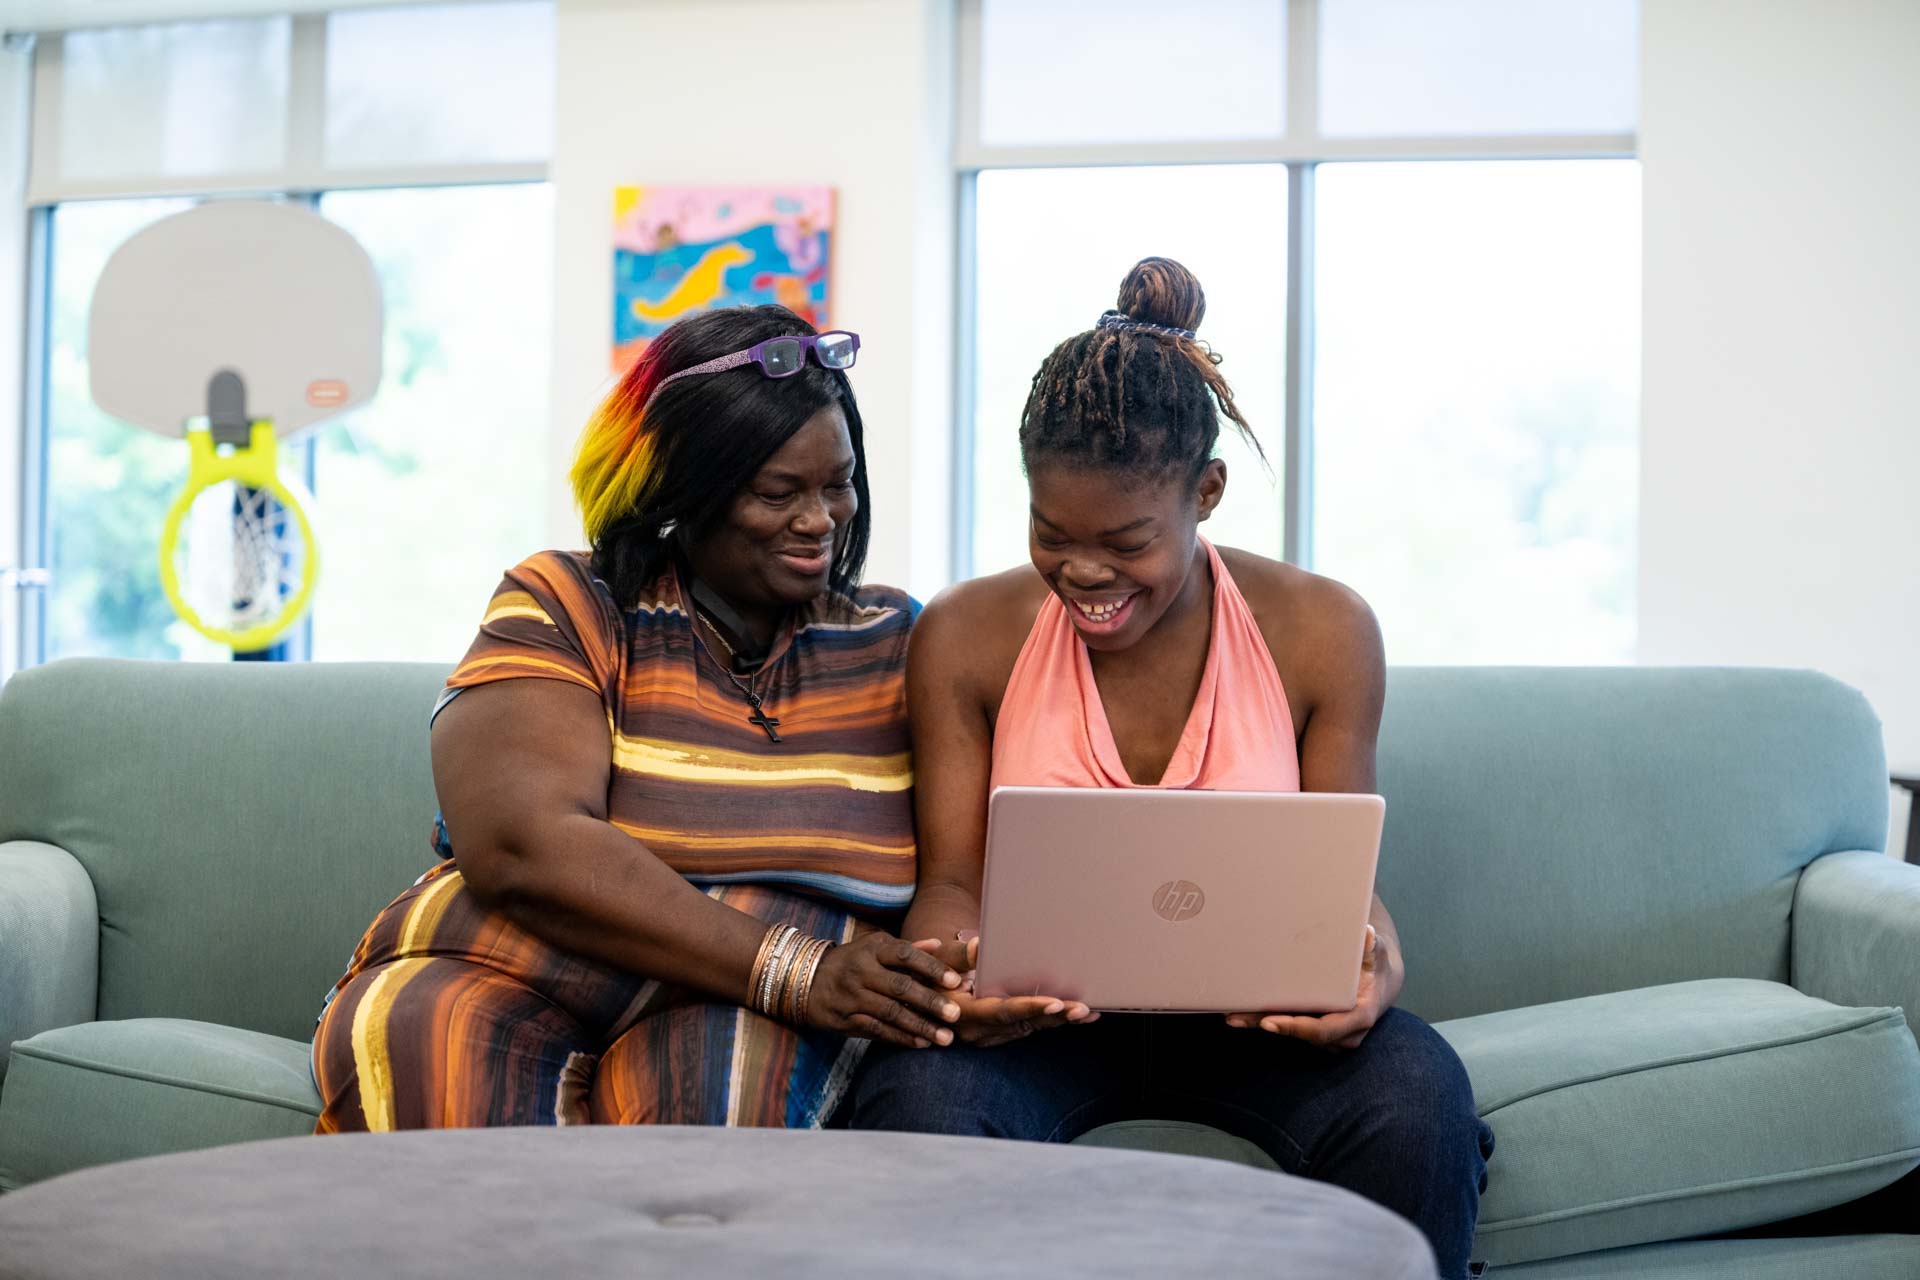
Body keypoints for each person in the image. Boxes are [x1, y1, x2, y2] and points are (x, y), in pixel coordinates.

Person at [850, 259, 1493, 1277]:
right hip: (1039, 1030)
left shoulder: (1321, 630)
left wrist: (1373, 964)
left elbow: (1345, 886)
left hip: (1253, 1027)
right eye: (1052, 534)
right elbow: (952, 886)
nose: (1085, 572)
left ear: (1208, 491)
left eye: (1127, 539)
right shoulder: (967, 634)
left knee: (1417, 1095)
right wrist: (958, 980)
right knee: (912, 1098)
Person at [312, 306, 966, 1132]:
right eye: (777, 493)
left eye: (838, 483)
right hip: (504, 961)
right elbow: (522, 843)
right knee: (430, 1059)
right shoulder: (569, 600)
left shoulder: (900, 642)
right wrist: (795, 970)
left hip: (747, 1009)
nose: (820, 520)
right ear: (681, 493)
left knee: (709, 1133)